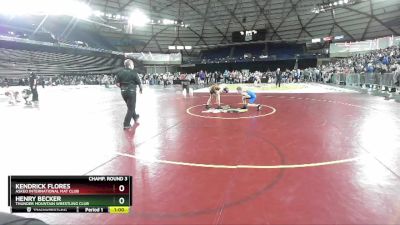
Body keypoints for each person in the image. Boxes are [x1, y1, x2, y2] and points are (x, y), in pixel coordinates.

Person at [116, 59, 143, 130]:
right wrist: (141, 89)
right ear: (130, 65)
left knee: (130, 106)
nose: (133, 66)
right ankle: (126, 124)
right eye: (133, 64)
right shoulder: (134, 72)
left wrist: (123, 88)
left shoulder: (120, 72)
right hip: (131, 91)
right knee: (131, 108)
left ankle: (135, 116)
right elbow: (139, 83)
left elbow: (117, 84)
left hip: (123, 91)